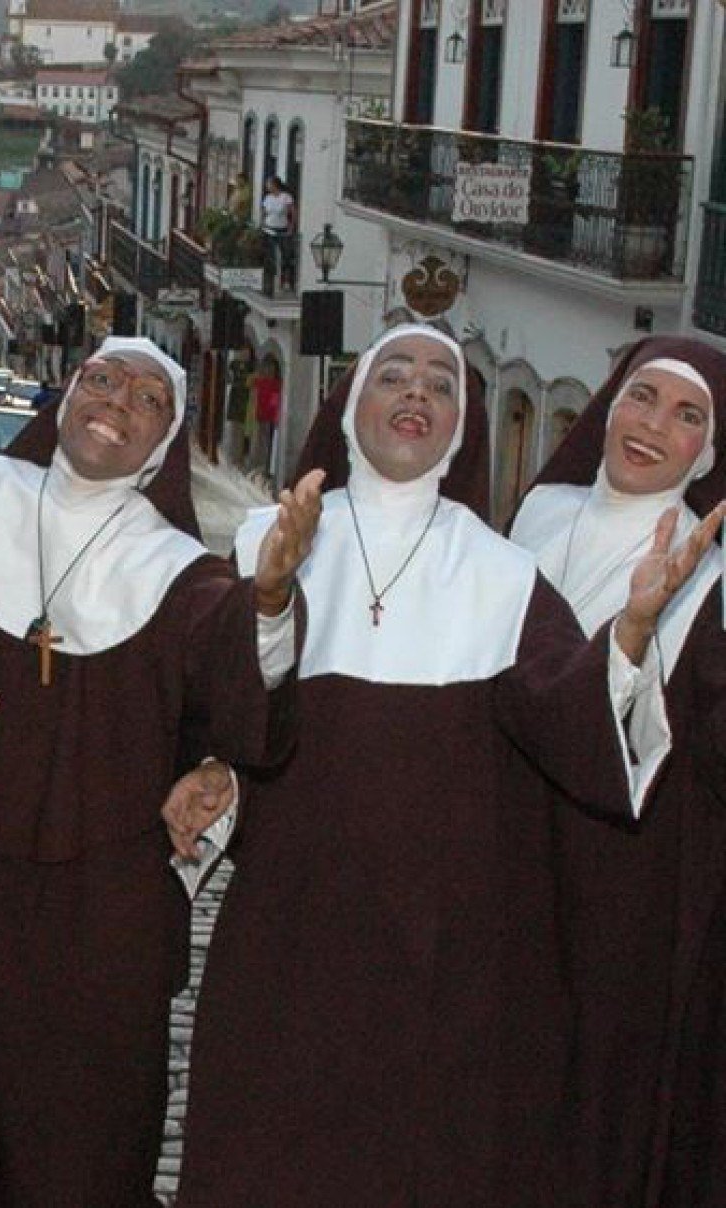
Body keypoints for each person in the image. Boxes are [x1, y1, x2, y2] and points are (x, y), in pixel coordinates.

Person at [170, 324, 722, 1208]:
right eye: (394, 375)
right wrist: (268, 602)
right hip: (289, 933)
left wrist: (629, 629)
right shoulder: (265, 542)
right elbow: (227, 717)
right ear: (353, 406)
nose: (416, 394)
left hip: (439, 953)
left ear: (461, 426)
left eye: (441, 384)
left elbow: (566, 726)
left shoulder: (501, 573)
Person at [0, 335, 323, 1208]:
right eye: (101, 379)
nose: (116, 401)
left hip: (100, 920)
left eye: (148, 399)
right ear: (65, 395)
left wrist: (268, 598)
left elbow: (240, 710)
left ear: (166, 440)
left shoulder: (178, 573)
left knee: (85, 1147)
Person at [507, 337, 726, 1208]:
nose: (653, 427)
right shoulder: (539, 510)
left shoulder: (712, 573)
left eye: (687, 416)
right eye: (642, 397)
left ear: (706, 453)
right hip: (508, 836)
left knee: (588, 1088)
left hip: (622, 870)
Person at [259, 175, 296, 291]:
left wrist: (291, 227)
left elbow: (292, 213)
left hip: (282, 230)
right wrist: (262, 224)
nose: (267, 186)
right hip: (269, 229)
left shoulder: (286, 197)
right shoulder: (268, 198)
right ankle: (270, 281)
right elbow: (264, 212)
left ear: (275, 185)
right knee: (270, 256)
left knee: (286, 255)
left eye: (269, 184)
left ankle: (285, 280)